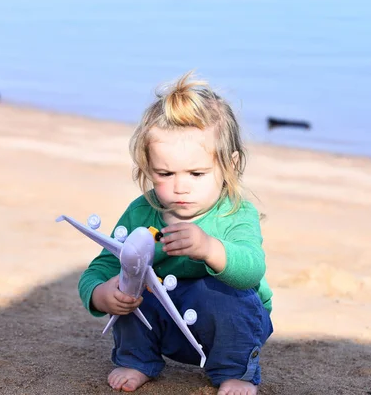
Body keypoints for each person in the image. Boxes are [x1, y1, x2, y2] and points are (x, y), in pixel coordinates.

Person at [77, 71, 273, 395]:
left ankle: (234, 371)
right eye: (165, 173)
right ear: (147, 169)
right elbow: (101, 267)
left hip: (230, 327)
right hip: (168, 326)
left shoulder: (235, 213)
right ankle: (137, 358)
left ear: (230, 165)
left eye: (197, 173)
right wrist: (103, 293)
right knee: (132, 282)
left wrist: (210, 248)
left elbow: (252, 270)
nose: (181, 187)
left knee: (223, 295)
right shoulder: (142, 213)